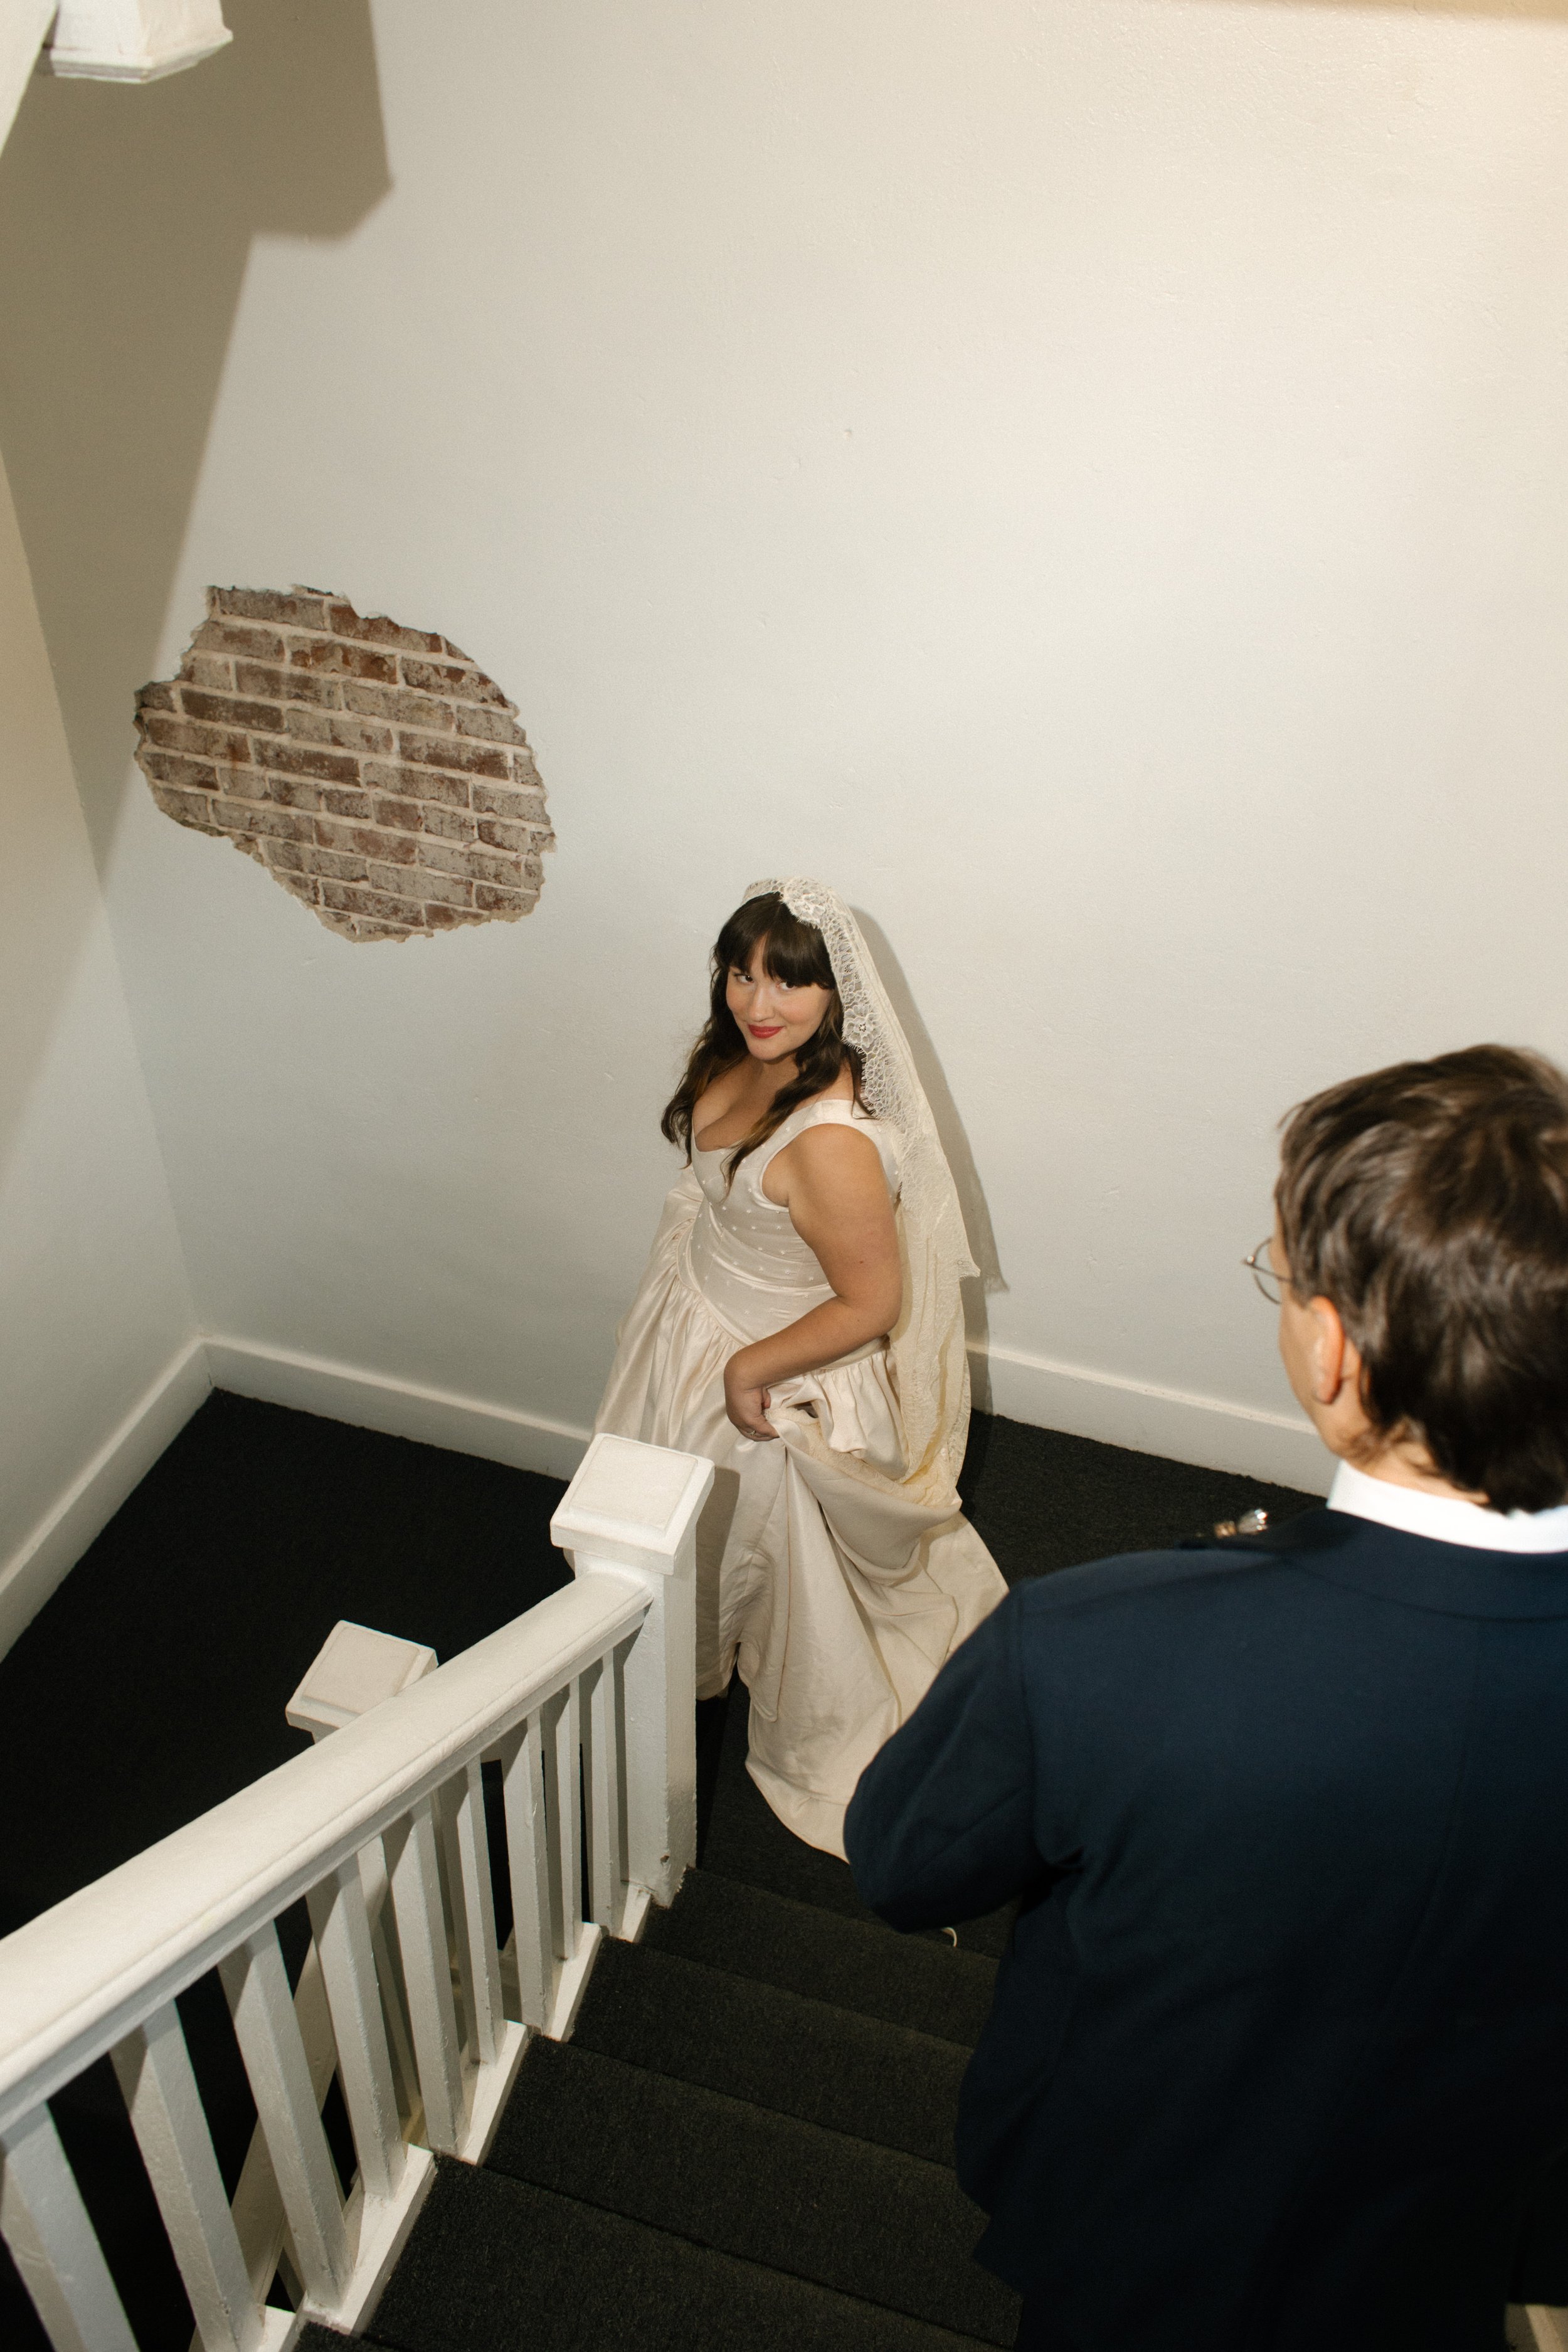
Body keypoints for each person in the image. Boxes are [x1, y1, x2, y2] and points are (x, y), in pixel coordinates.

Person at [845, 1044, 1568, 2352]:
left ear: (1333, 1351)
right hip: (1451, 2226)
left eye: (1282, 1274)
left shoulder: (1094, 1643)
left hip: (1140, 2217)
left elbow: (900, 1866)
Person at [595, 877, 1008, 1857]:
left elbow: (873, 1304)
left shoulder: (832, 1147)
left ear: (836, 997)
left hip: (770, 1369)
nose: (756, 1003)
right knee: (671, 1518)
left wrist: (747, 1370)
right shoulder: (741, 1052)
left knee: (747, 1549)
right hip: (695, 1321)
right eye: (741, 973)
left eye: (787, 983)